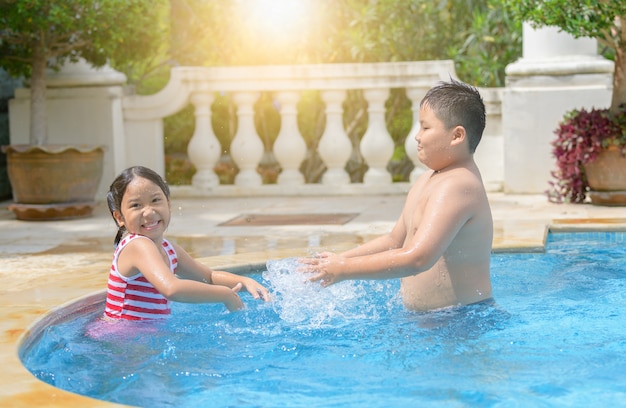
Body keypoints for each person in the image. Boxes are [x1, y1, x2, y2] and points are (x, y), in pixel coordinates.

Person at [300, 79, 493, 311]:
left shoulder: (459, 185)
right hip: (433, 321)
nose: (417, 136)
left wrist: (344, 269)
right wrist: (337, 260)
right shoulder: (428, 180)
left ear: (456, 136)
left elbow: (418, 258)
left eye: (426, 127)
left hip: (463, 320)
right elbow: (394, 241)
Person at [104, 166, 270, 320]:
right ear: (119, 217)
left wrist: (244, 281)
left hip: (143, 337)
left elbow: (208, 277)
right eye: (136, 205)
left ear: (168, 204)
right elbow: (171, 288)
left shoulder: (169, 249)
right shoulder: (137, 245)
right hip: (122, 338)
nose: (149, 212)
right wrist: (225, 294)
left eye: (155, 200)